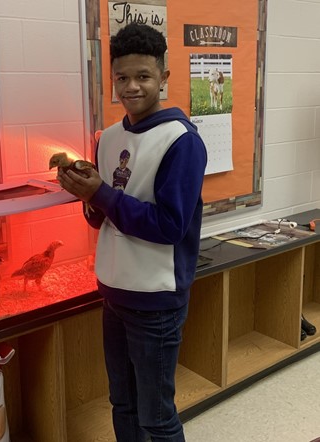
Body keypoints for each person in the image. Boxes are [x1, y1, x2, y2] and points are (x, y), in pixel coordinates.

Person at [57, 22, 207, 442]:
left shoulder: (181, 141)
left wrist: (101, 194)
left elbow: (170, 226)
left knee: (156, 416)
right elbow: (102, 217)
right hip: (114, 292)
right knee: (121, 403)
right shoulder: (108, 138)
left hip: (155, 300)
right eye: (122, 78)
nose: (131, 87)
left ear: (164, 77)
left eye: (143, 76)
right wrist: (87, 195)